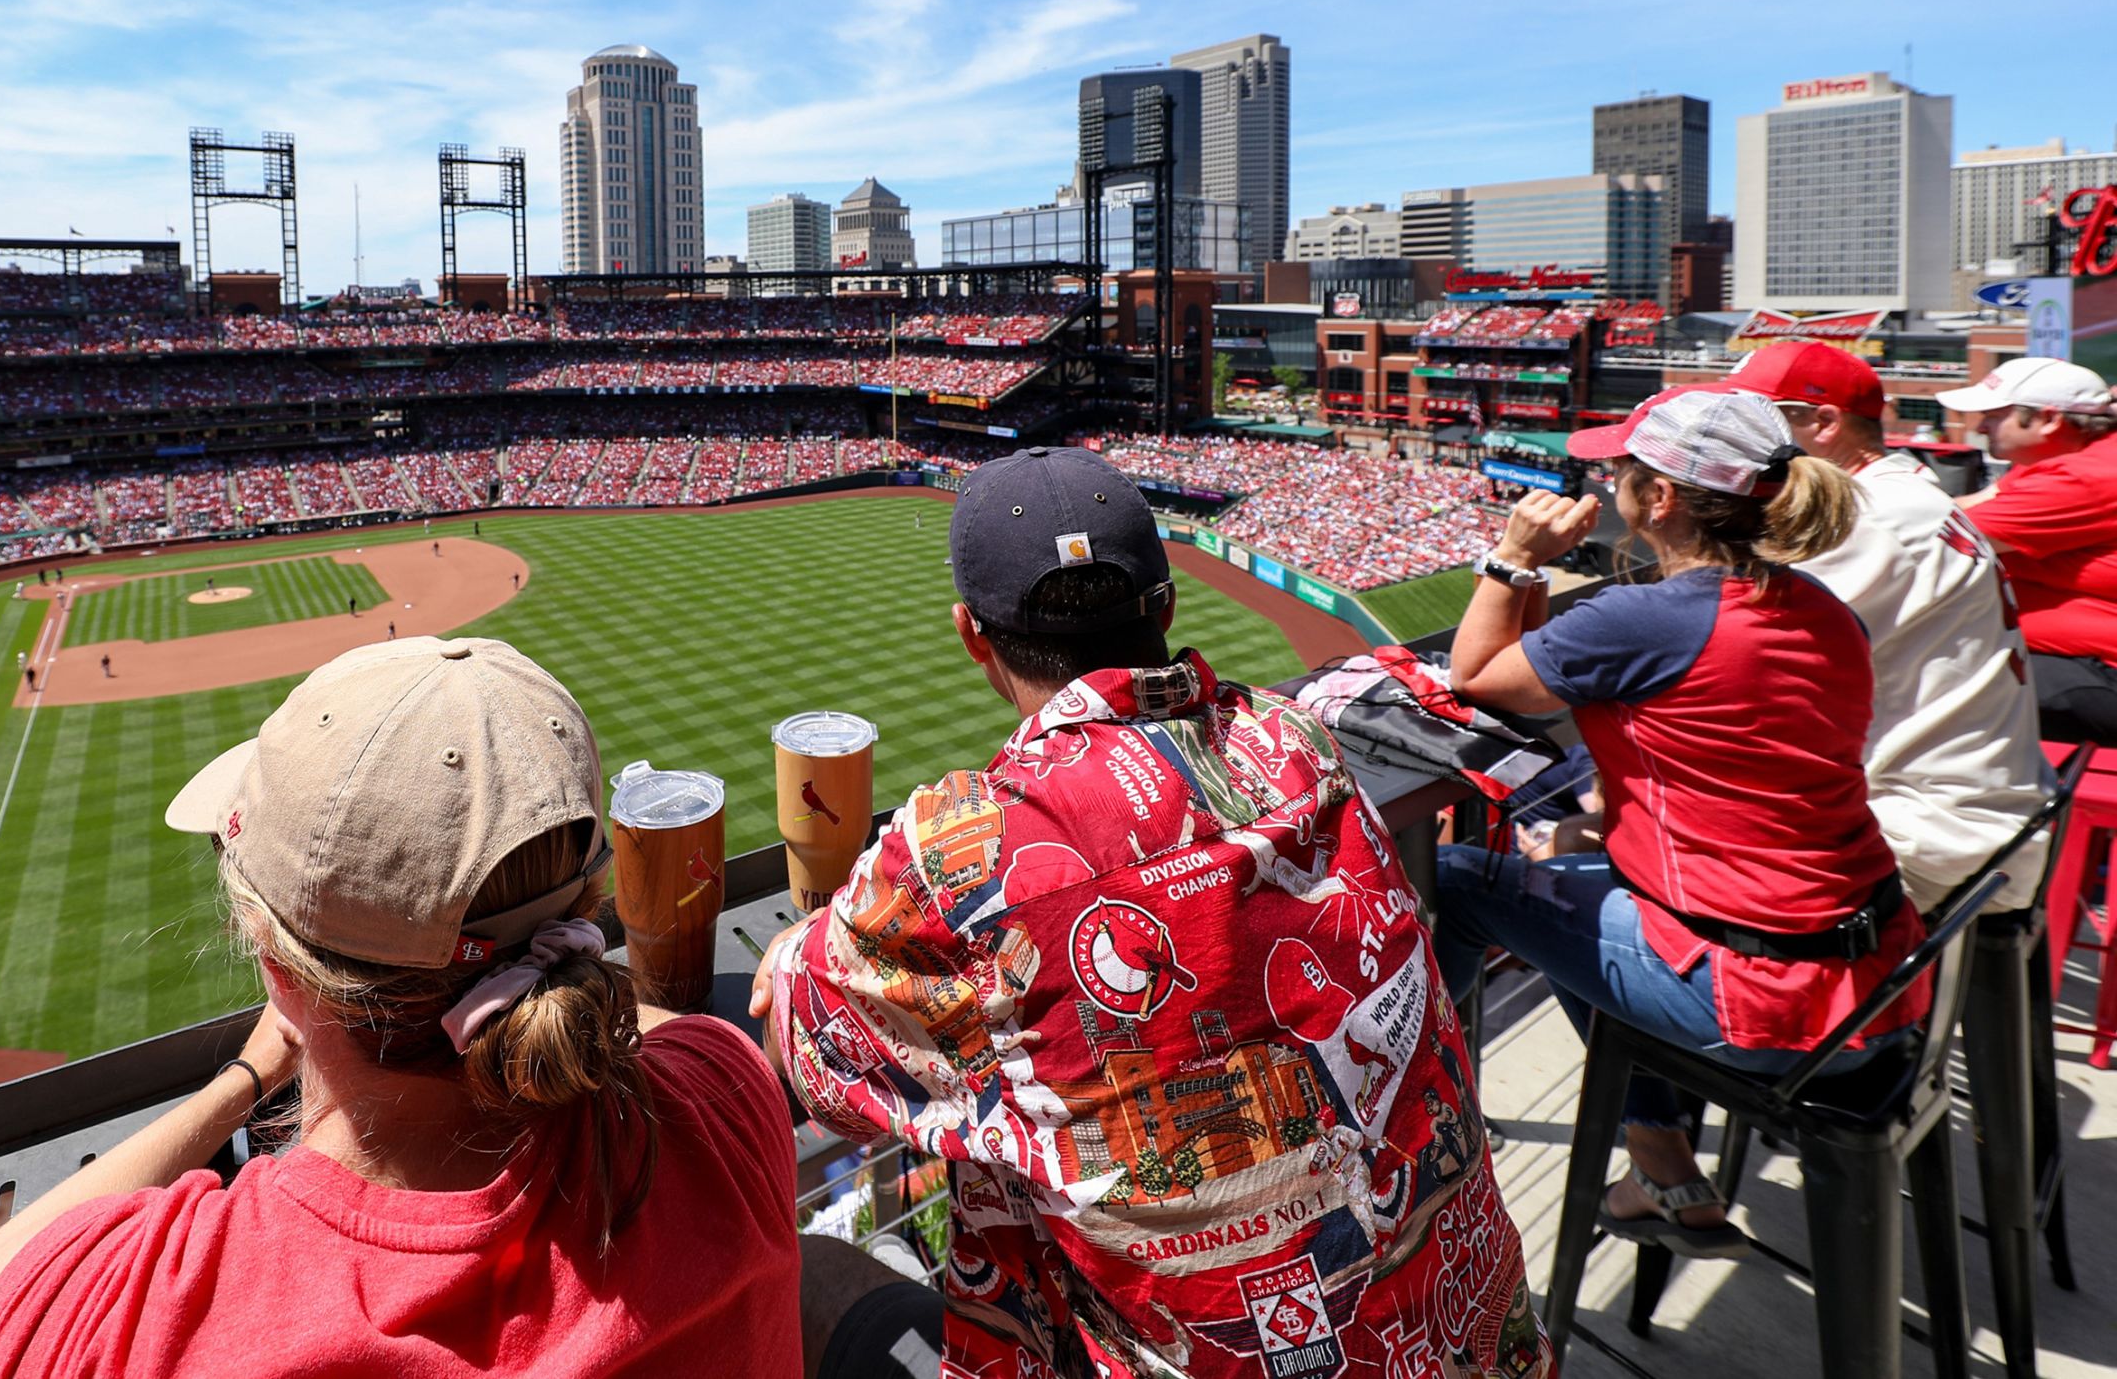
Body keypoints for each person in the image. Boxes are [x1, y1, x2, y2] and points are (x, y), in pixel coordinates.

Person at [754, 446, 1548, 1379]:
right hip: (1491, 1344)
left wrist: (803, 942)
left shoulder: (953, 850)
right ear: (1165, 608)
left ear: (973, 635)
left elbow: (797, 1055)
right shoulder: (1294, 740)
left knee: (814, 1276)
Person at [0, 637, 803, 1377]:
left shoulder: (166, 1304)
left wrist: (246, 1076)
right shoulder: (723, 1096)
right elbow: (654, 1032)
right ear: (589, 904)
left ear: (279, 966)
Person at [1432, 388, 1929, 1258]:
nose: (1607, 477)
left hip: (1770, 1006)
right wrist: (1603, 831)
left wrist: (1514, 557)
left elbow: (1474, 678)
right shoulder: (1822, 606)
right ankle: (1663, 1160)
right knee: (1572, 886)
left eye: (1621, 467)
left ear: (1657, 498)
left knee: (1460, 880)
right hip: (1880, 982)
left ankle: (1421, 1104)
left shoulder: (1645, 618)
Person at [1732, 341, 2048, 909]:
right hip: (1972, 815)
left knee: (1581, 874)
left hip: (1925, 836)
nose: (1732, 437)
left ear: (1824, 424)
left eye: (1750, 419)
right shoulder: (1902, 494)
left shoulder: (1866, 517)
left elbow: (1732, 663)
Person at [1935, 356, 2117, 743]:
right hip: (2075, 663)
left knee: (1935, 681)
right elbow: (1970, 505)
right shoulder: (2062, 456)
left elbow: (1934, 536)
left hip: (2100, 674)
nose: (1979, 426)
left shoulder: (2084, 477)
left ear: (2049, 419)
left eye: (1994, 415)